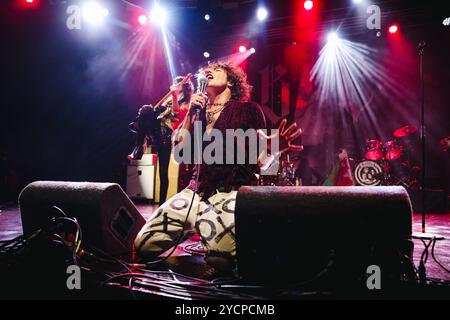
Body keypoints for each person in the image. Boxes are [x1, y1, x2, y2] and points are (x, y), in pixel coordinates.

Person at [134, 61, 303, 270]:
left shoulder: (248, 110)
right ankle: (205, 227)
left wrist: (274, 146)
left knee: (220, 260)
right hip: (195, 192)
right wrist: (190, 113)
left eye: (216, 70)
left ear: (231, 81)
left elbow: (262, 158)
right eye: (205, 71)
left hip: (229, 192)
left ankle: (226, 233)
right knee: (144, 244)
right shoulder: (197, 113)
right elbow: (180, 151)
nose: (208, 72)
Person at [128, 76, 194, 203]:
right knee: (146, 108)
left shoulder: (187, 103)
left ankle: (162, 203)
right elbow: (157, 114)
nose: (174, 85)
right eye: (174, 83)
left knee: (163, 172)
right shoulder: (168, 99)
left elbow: (176, 113)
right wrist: (144, 115)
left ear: (183, 87)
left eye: (177, 84)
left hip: (165, 135)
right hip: (155, 129)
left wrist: (174, 96)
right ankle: (139, 147)